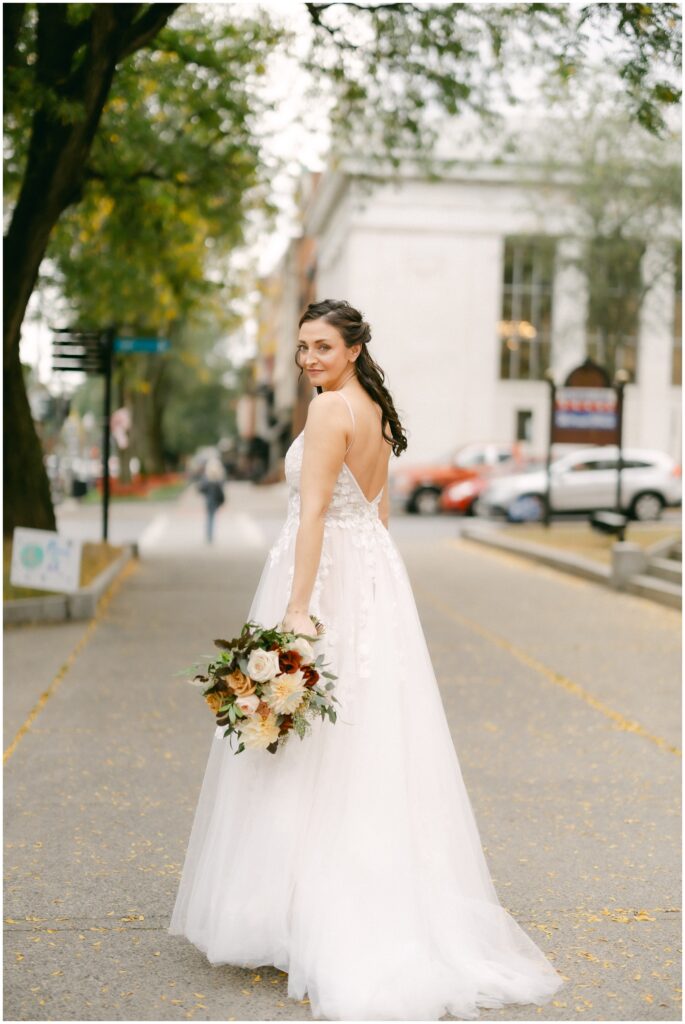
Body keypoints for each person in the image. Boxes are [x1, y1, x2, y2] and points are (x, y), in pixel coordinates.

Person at [168, 299, 565, 1020]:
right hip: (372, 577)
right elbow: (375, 513)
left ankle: (294, 910)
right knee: (366, 735)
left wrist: (296, 608)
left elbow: (315, 510)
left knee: (311, 736)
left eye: (321, 346)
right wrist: (372, 590)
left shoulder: (328, 411)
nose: (308, 359)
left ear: (351, 348)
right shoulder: (373, 407)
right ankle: (332, 896)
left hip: (324, 573)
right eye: (301, 348)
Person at [197, 457, 225, 544]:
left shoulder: (207, 478)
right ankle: (209, 535)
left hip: (209, 501)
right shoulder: (218, 478)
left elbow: (202, 489)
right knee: (211, 518)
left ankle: (209, 535)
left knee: (210, 518)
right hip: (215, 501)